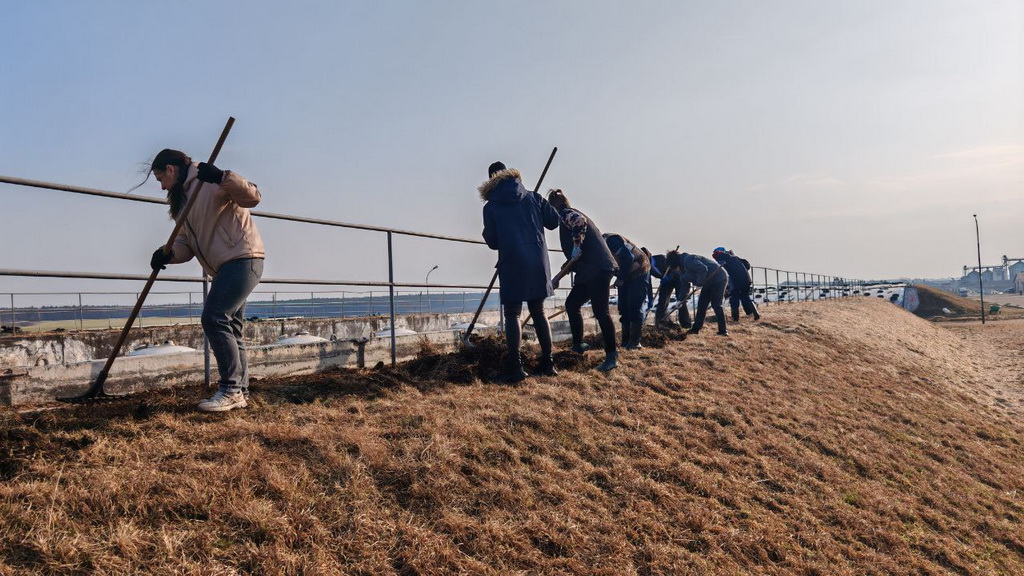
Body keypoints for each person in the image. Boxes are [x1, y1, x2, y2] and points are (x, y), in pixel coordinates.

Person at [148, 149, 265, 412]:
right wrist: (167, 254)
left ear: (170, 169)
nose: (162, 186)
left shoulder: (208, 180)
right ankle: (240, 391)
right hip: (224, 267)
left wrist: (223, 176)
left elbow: (253, 197)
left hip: (243, 258)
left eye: (160, 179)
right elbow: (186, 243)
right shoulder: (182, 199)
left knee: (214, 318)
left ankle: (231, 389)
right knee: (232, 328)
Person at [481, 162, 560, 382]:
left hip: (513, 262)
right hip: (537, 261)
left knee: (512, 313)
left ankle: (515, 367)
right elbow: (554, 222)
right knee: (539, 312)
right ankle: (547, 363)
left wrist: (487, 233)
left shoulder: (491, 207)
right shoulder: (533, 197)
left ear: (490, 181)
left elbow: (494, 242)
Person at [547, 189, 618, 372]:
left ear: (554, 207)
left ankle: (612, 356)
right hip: (588, 270)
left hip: (599, 269)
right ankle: (578, 345)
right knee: (572, 304)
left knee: (601, 311)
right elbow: (574, 256)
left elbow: (580, 223)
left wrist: (577, 245)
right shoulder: (566, 218)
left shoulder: (566, 214)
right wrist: (559, 277)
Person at [603, 232, 650, 350]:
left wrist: (620, 278)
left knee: (634, 305)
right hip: (625, 272)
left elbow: (627, 258)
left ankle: (635, 342)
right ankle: (625, 341)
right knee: (623, 307)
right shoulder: (598, 248)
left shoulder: (611, 241)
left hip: (639, 269)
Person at [668, 250, 728, 336]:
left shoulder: (688, 260)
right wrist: (680, 300)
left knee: (716, 304)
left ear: (676, 264)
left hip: (718, 278)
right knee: (702, 305)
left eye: (674, 268)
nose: (675, 271)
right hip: (707, 282)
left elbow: (703, 268)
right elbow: (685, 286)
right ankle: (696, 329)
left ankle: (723, 330)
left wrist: (699, 283)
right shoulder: (681, 271)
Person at [713, 247, 760, 322]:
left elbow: (720, 271)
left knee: (734, 299)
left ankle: (735, 319)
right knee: (745, 296)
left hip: (736, 281)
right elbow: (747, 265)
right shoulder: (736, 258)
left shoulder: (723, 259)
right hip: (746, 280)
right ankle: (754, 312)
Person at [652, 248, 693, 329]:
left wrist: (668, 277)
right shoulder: (646, 267)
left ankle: (686, 323)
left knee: (680, 300)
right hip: (666, 281)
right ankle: (661, 322)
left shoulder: (661, 259)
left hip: (678, 278)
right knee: (662, 300)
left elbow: (674, 271)